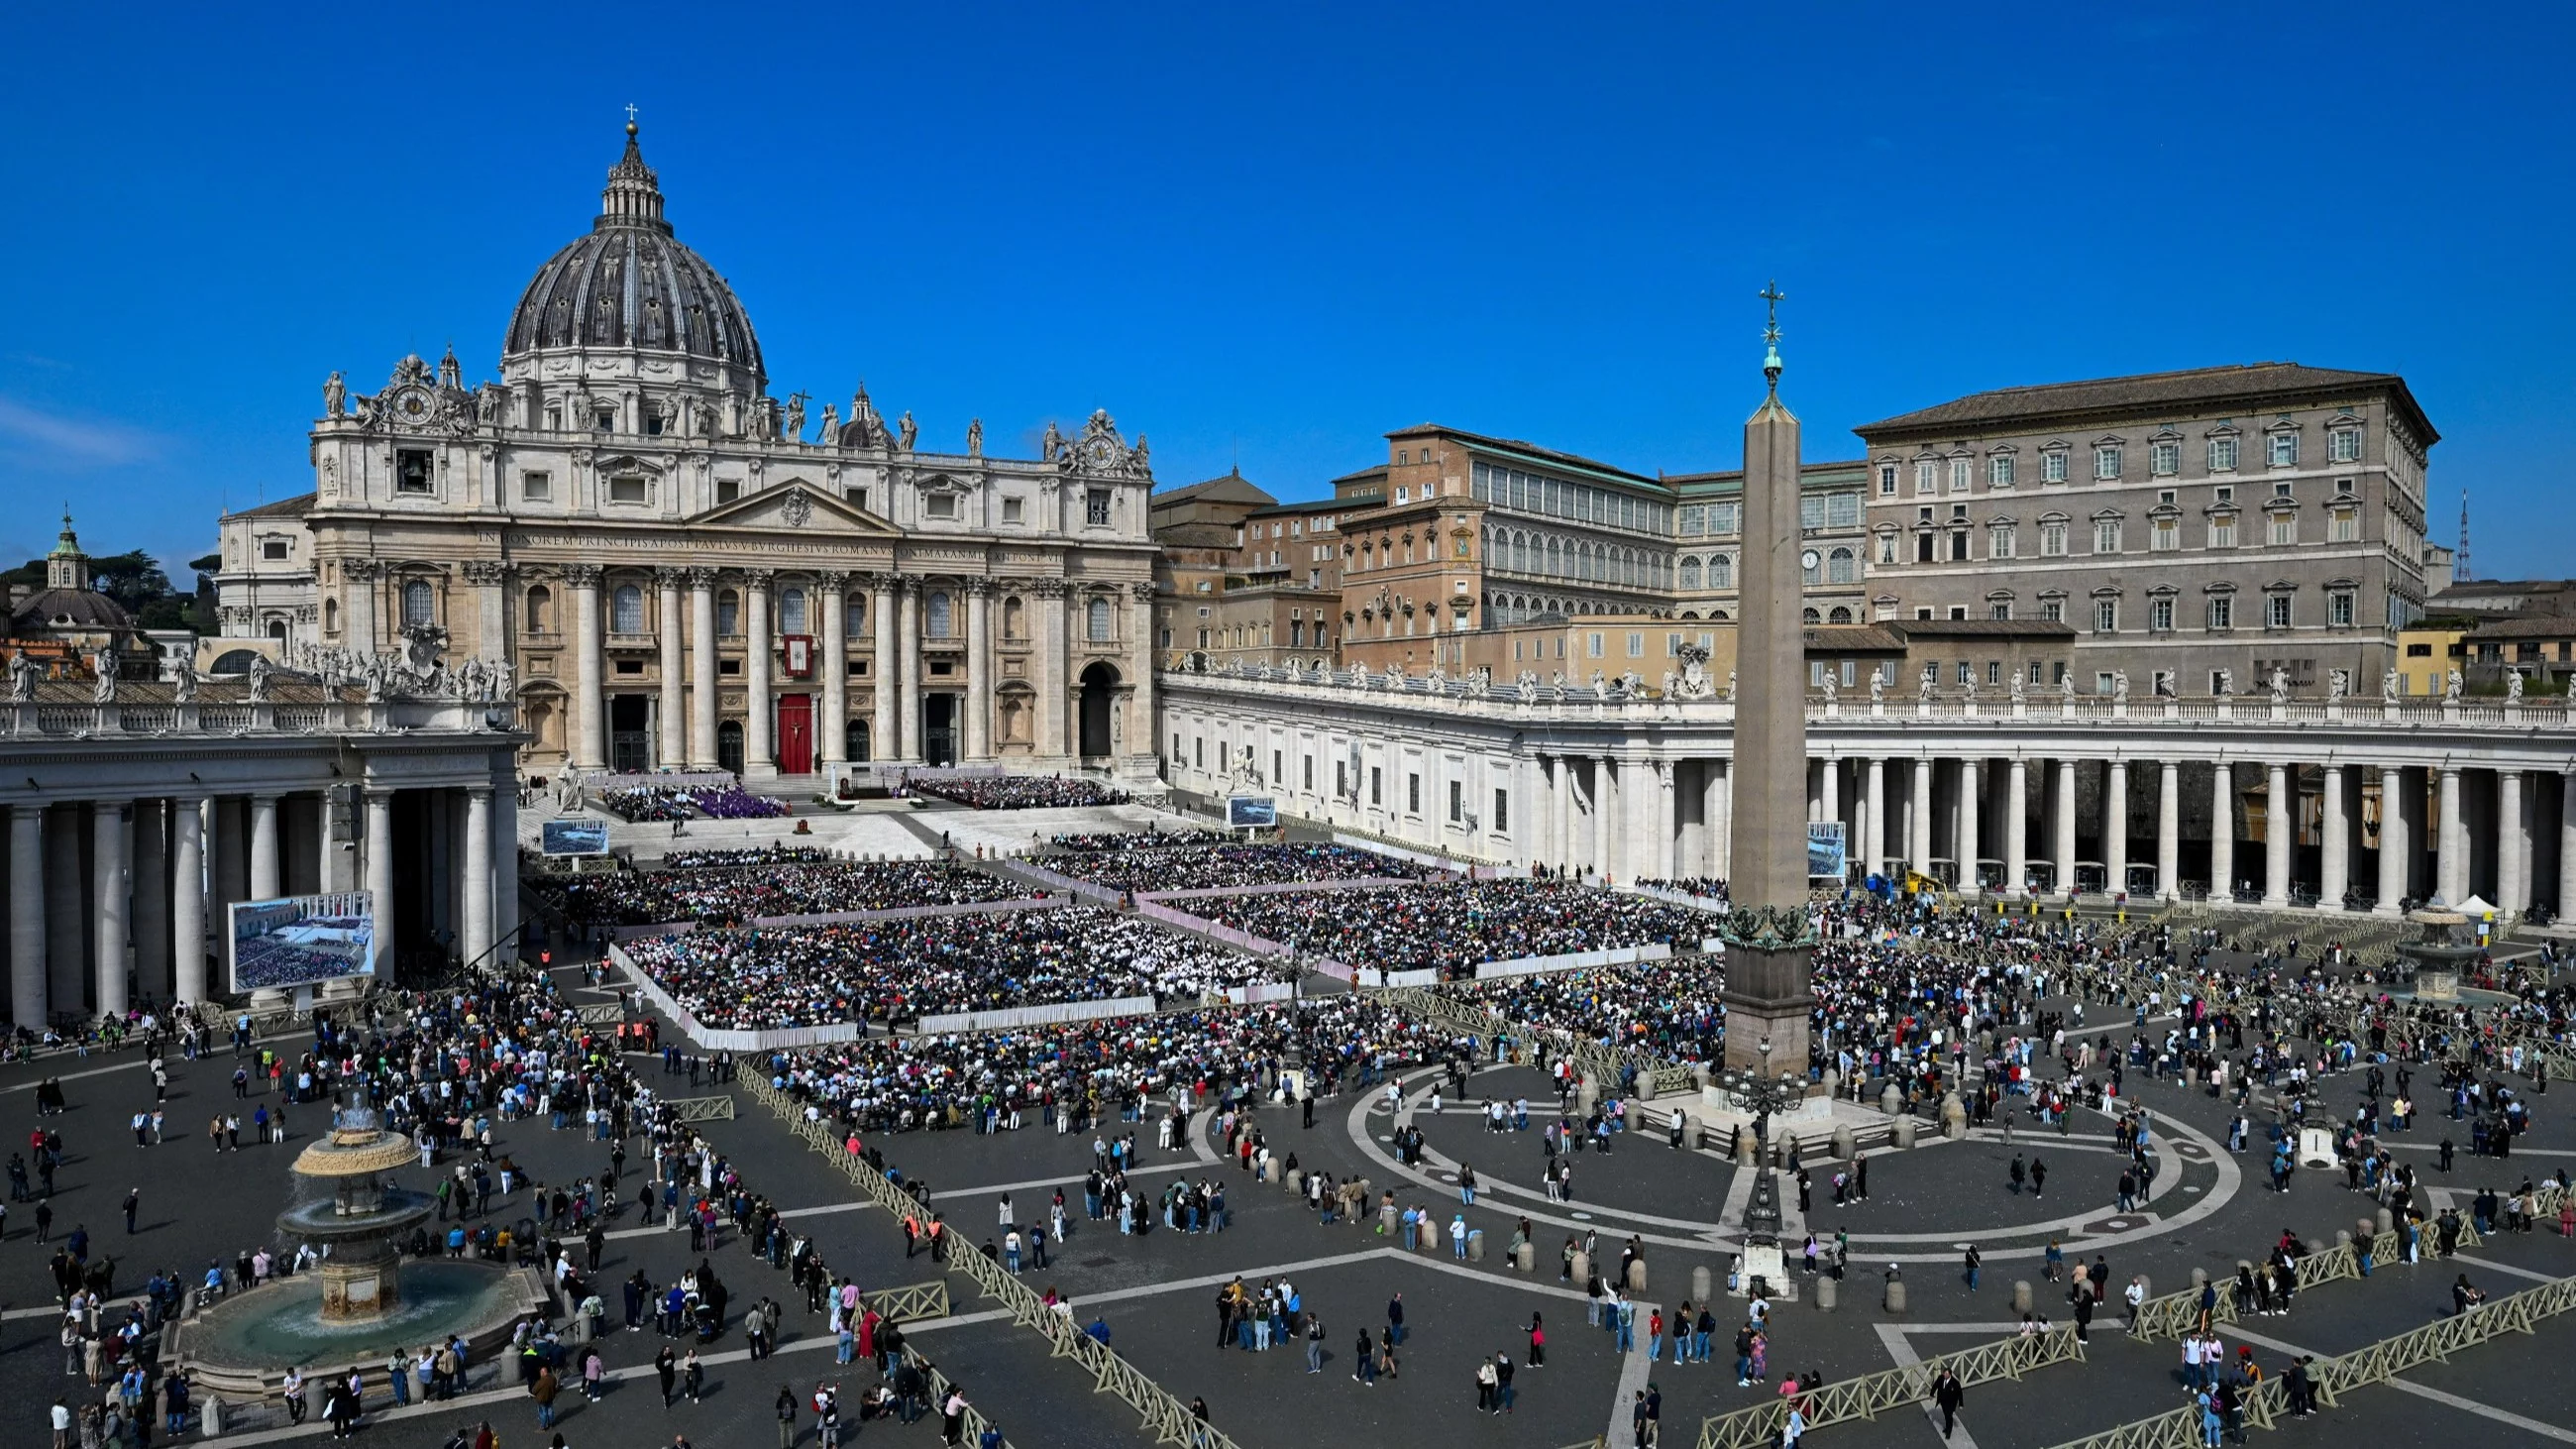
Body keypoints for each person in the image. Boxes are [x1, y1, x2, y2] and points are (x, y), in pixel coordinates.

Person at [1934, 1369, 1965, 1439]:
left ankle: (1949, 1432)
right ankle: (1947, 1428)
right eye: (1944, 1373)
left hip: (1951, 1403)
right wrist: (1932, 1394)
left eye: (1946, 1374)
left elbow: (1959, 1393)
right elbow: (1935, 1385)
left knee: (1949, 1417)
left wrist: (1961, 1404)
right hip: (1943, 1402)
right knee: (1946, 1416)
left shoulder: (1955, 1383)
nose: (1944, 1375)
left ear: (1950, 1374)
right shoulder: (1941, 1378)